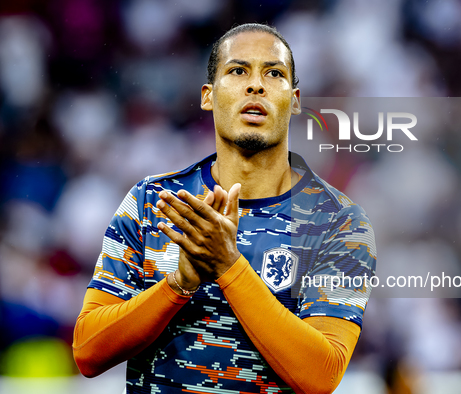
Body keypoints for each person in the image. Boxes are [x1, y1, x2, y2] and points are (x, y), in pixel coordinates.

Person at [73, 23, 377, 394]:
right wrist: (179, 284)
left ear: (295, 101)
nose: (256, 85)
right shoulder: (152, 202)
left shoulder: (338, 222)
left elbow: (320, 376)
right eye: (237, 71)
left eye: (274, 73)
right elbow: (88, 352)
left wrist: (228, 266)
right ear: (208, 96)